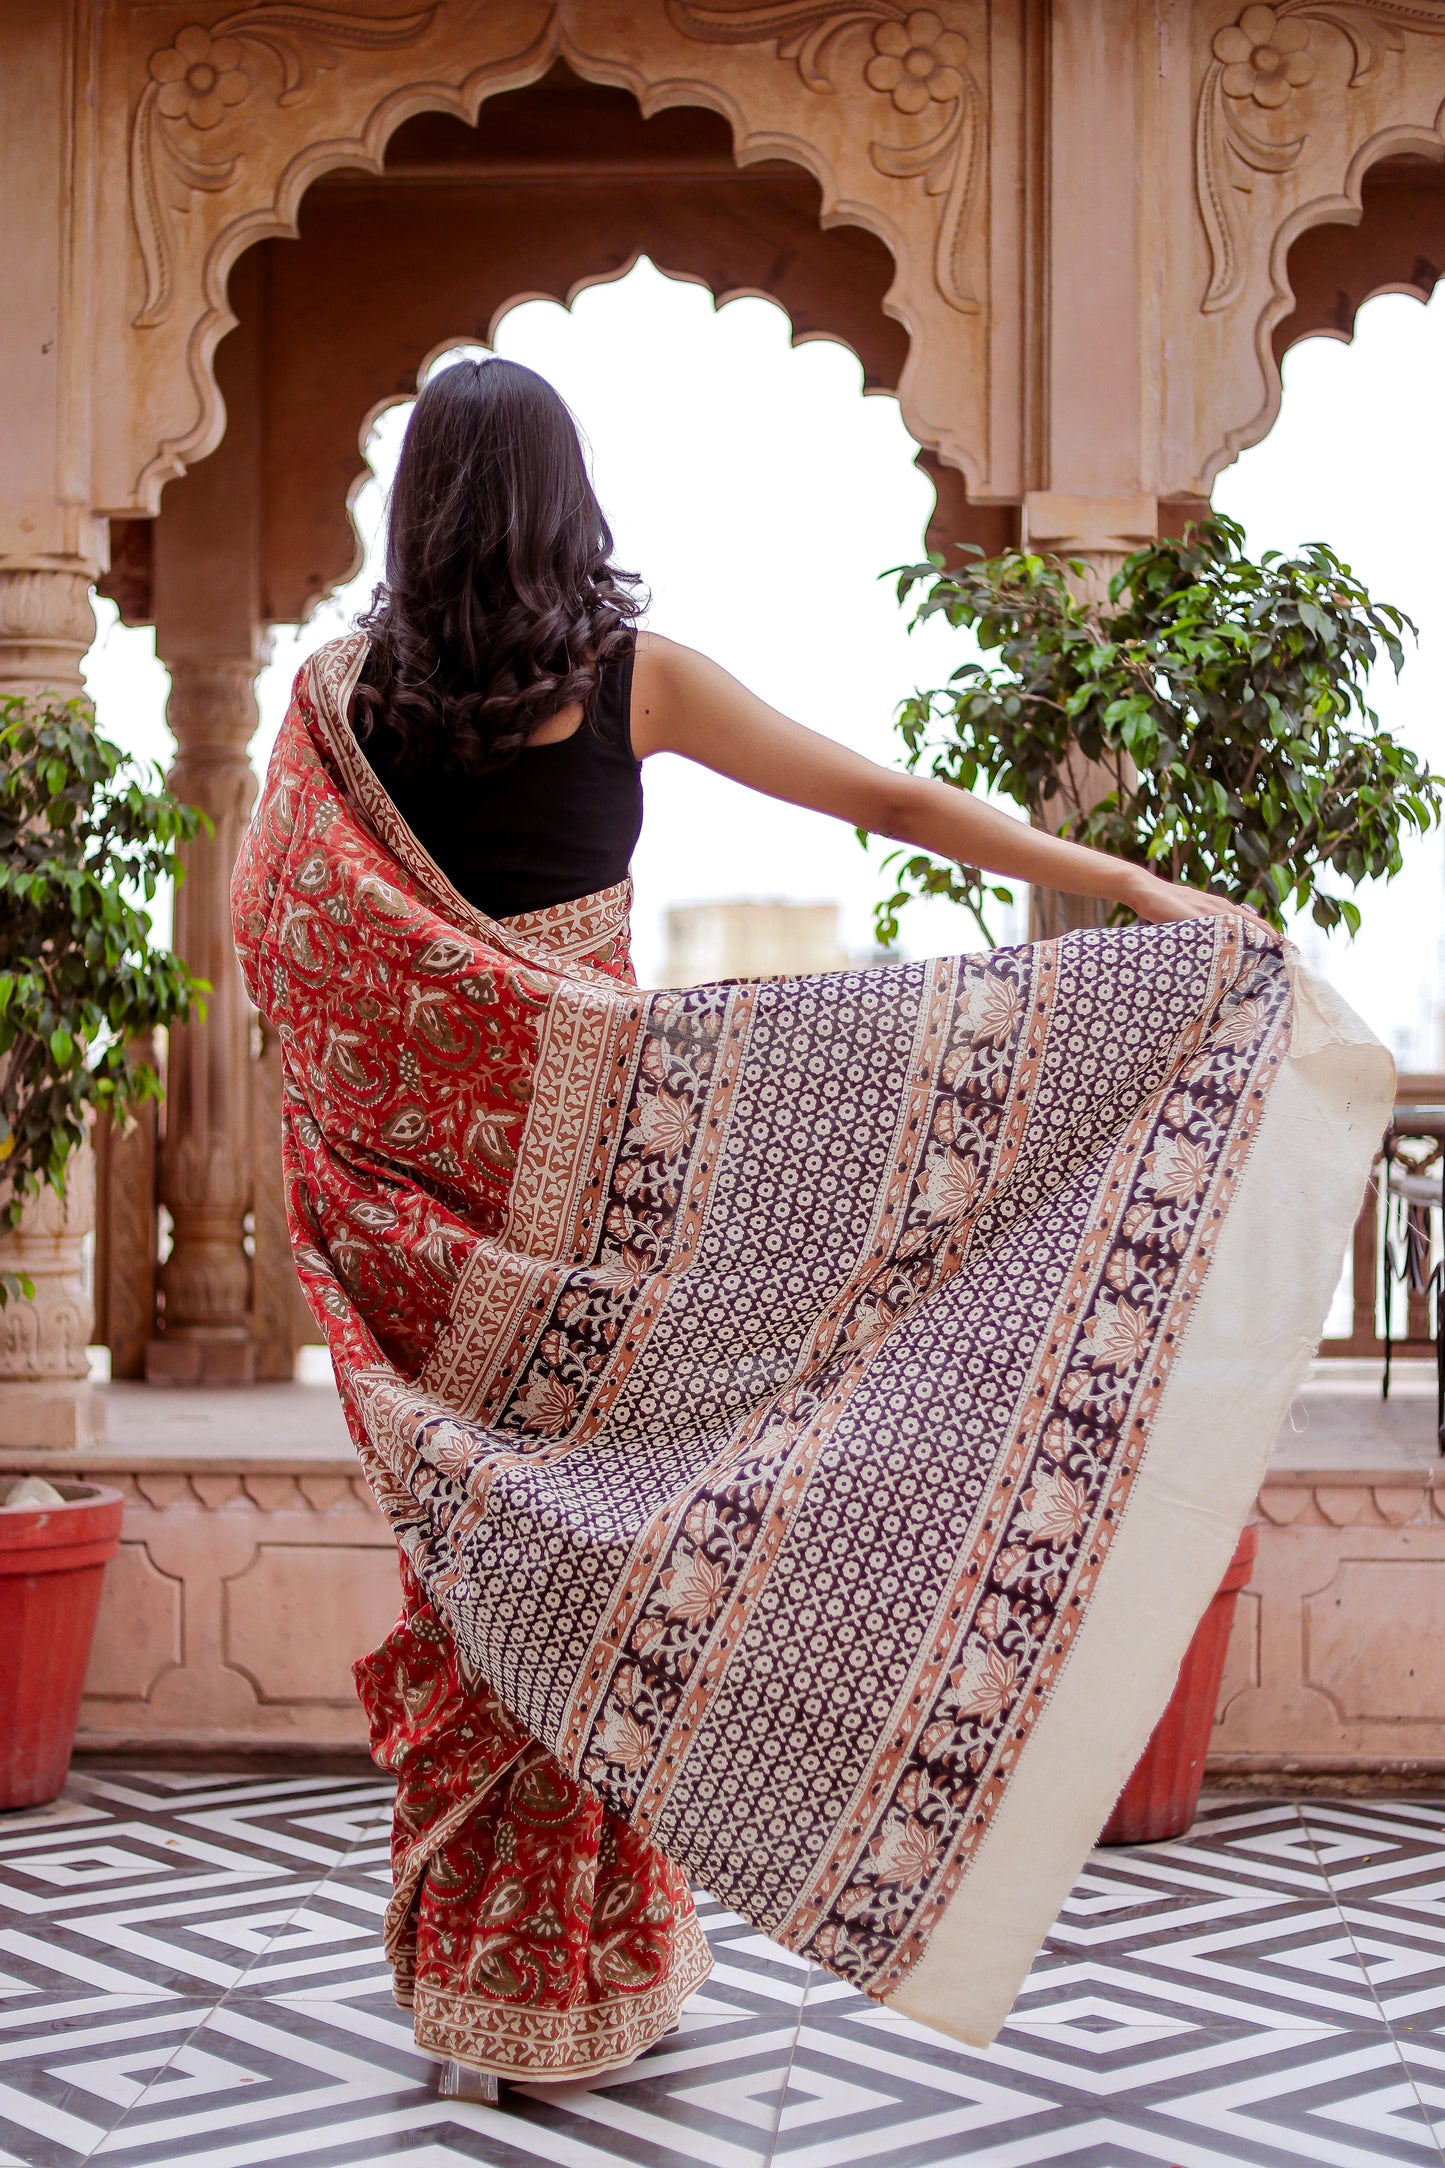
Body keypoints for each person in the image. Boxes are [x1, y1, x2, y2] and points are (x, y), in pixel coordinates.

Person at [232, 358, 1389, 2094]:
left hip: (425, 1249)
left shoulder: (328, 711)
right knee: (594, 1575)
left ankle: (488, 1997)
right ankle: (579, 1982)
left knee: (484, 1582)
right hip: (623, 1224)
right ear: (567, 498)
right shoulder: (635, 680)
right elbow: (893, 806)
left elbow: (277, 940)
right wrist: (1137, 897)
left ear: (413, 509)